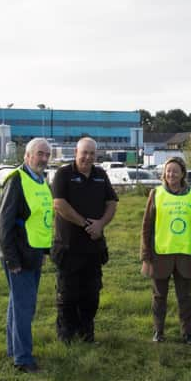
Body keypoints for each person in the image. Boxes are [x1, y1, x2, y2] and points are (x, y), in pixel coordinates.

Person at [51, 137, 118, 343]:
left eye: (92, 153)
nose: (88, 157)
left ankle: (86, 333)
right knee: (68, 294)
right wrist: (85, 224)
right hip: (68, 247)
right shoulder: (63, 174)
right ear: (76, 152)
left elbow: (112, 202)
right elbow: (59, 203)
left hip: (94, 248)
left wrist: (100, 225)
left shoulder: (100, 175)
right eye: (84, 152)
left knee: (91, 294)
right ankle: (66, 335)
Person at [0, 138, 53, 373]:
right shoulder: (17, 181)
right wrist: (12, 260)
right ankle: (23, 359)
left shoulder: (40, 180)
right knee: (24, 307)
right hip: (19, 255)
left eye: (47, 154)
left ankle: (14, 350)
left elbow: (42, 219)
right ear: (27, 156)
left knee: (18, 304)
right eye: (40, 154)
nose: (44, 159)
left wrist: (45, 251)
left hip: (35, 252)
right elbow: (4, 225)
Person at [140, 157, 191, 345]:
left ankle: (187, 334)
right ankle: (158, 332)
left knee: (184, 297)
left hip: (185, 255)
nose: (171, 174)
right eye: (168, 171)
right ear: (164, 173)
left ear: (183, 173)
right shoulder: (156, 193)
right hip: (160, 255)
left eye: (175, 171)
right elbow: (147, 226)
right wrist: (146, 255)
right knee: (159, 297)